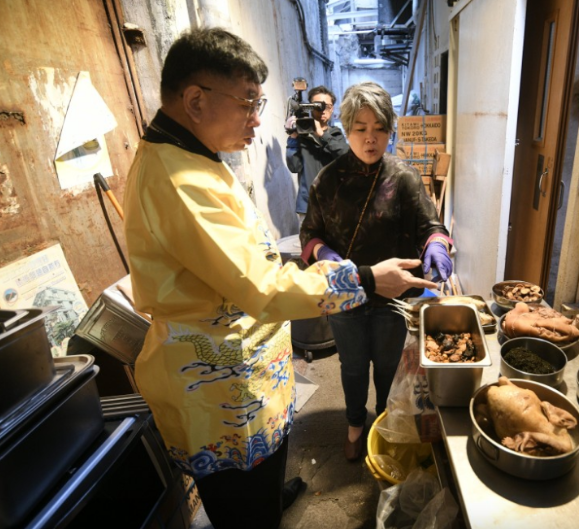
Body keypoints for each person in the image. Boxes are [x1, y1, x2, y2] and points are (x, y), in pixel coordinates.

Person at [122, 29, 435, 529]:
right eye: (248, 101)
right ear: (196, 100)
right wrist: (364, 279)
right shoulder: (179, 181)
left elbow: (427, 223)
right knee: (242, 500)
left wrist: (435, 243)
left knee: (265, 474)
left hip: (250, 366)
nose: (258, 117)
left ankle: (267, 497)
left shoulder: (196, 159)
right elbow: (266, 284)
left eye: (259, 101)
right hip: (220, 384)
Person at [300, 81, 454, 462]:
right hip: (347, 297)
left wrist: (436, 243)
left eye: (379, 129)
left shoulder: (404, 177)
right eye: (361, 129)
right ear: (347, 128)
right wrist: (326, 253)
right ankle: (355, 424)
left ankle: (385, 424)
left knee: (388, 367)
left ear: (390, 130)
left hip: (393, 299)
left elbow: (431, 225)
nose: (371, 139)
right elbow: (309, 235)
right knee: (352, 367)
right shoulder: (329, 181)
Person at [285, 85, 348, 223]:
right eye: (318, 105)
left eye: (328, 106)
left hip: (334, 206)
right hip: (307, 207)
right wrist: (293, 138)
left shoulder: (336, 135)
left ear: (332, 109)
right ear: (310, 107)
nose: (323, 110)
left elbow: (347, 158)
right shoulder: (302, 136)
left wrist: (321, 134)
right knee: (309, 245)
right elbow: (294, 167)